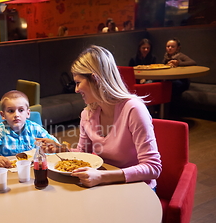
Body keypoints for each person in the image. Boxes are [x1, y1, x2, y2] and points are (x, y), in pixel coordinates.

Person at [68, 45, 161, 189]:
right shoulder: (87, 114)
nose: (76, 89)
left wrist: (101, 177)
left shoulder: (133, 109)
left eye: (78, 83)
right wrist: (59, 149)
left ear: (95, 79)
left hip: (137, 188)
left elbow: (152, 168)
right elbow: (83, 154)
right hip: (104, 184)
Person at [0, 90, 64, 168]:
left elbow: (54, 145)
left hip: (34, 168)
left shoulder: (35, 128)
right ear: (3, 115)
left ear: (28, 113)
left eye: (21, 110)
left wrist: (50, 150)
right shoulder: (0, 131)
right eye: (11, 111)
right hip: (9, 169)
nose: (16, 114)